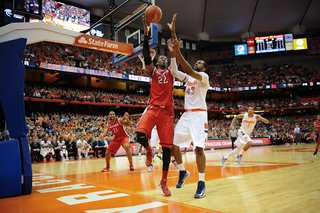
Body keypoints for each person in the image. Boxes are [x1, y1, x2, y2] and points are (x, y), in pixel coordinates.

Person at [134, 15, 183, 197]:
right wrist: (145, 35)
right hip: (153, 108)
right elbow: (146, 54)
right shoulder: (152, 72)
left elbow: (173, 54)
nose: (162, 58)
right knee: (139, 135)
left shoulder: (172, 72)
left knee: (167, 148)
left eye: (164, 57)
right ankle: (148, 150)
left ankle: (163, 183)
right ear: (156, 63)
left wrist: (172, 32)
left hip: (167, 112)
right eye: (159, 57)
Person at [167, 14, 209, 199]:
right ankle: (183, 171)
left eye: (200, 62)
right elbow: (175, 72)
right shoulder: (189, 77)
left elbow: (188, 70)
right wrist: (172, 54)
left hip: (199, 115)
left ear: (204, 68)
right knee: (173, 145)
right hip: (187, 115)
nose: (197, 62)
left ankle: (201, 183)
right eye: (197, 61)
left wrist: (178, 52)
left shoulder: (203, 78)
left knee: (199, 149)